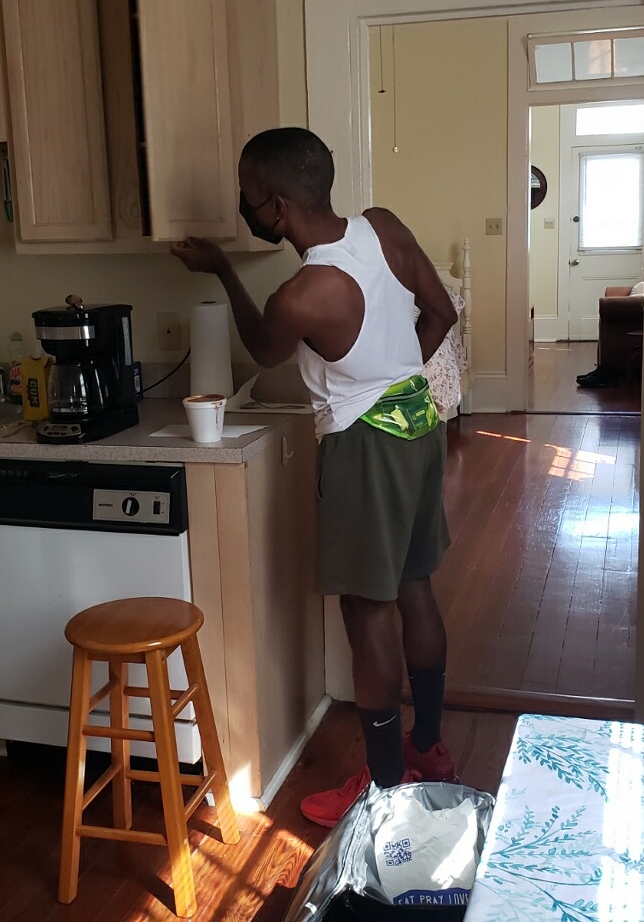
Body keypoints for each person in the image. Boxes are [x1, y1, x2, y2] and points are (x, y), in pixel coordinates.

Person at [171, 127, 460, 828]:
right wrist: (394, 379)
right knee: (414, 586)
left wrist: (221, 271)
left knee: (368, 617)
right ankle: (429, 749)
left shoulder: (303, 295)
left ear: (274, 206)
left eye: (246, 196)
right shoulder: (384, 228)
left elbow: (262, 349)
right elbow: (443, 312)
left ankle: (387, 793)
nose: (245, 208)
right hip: (419, 428)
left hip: (364, 450)